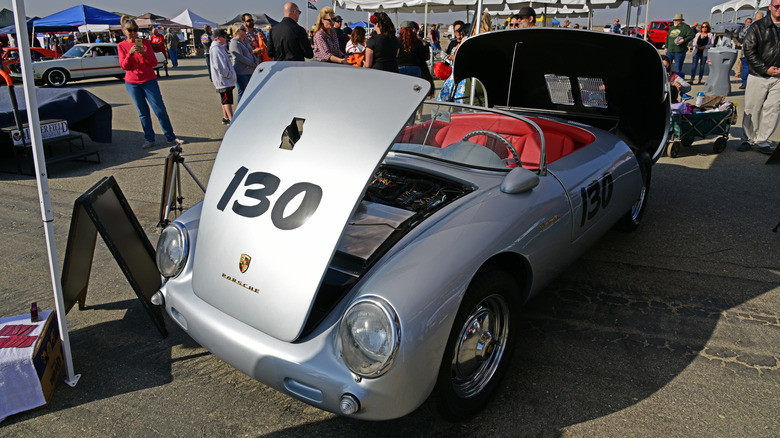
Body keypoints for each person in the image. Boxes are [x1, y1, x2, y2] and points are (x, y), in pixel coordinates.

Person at [117, 16, 184, 149]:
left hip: (149, 81)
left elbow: (153, 62)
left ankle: (170, 136)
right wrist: (130, 53)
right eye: (130, 30)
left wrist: (144, 53)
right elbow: (124, 66)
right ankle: (149, 138)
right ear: (124, 31)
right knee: (143, 112)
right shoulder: (121, 46)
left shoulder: (145, 43)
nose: (133, 33)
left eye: (135, 30)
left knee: (159, 110)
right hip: (132, 83)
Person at [738, 0, 780, 155]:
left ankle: (762, 141)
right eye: (777, 6)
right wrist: (765, 68)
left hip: (779, 77)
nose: (779, 9)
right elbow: (748, 50)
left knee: (773, 109)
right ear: (770, 7)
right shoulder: (758, 26)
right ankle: (747, 139)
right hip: (759, 74)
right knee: (752, 107)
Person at [210, 28, 237, 125]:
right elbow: (219, 66)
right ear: (218, 38)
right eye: (224, 37)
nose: (226, 39)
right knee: (227, 100)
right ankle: (231, 119)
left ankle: (226, 117)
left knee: (224, 99)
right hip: (223, 80)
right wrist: (228, 74)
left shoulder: (218, 48)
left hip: (223, 79)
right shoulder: (216, 49)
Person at [229, 23, 258, 105]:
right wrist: (252, 64)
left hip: (250, 71)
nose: (246, 32)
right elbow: (240, 57)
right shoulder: (234, 43)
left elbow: (251, 53)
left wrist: (256, 61)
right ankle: (240, 111)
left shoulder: (245, 42)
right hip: (241, 72)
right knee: (242, 92)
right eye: (244, 30)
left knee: (249, 92)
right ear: (238, 31)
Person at [665, 13, 695, 80]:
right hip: (670, 51)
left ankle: (677, 81)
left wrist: (684, 40)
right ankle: (667, 79)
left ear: (680, 20)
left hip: (679, 51)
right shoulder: (672, 28)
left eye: (676, 20)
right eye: (674, 20)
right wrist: (666, 47)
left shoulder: (685, 27)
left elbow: (692, 35)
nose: (674, 21)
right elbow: (668, 38)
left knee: (677, 68)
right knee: (666, 66)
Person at [735, 17, 753, 89]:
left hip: (746, 51)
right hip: (746, 50)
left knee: (746, 67)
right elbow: (736, 37)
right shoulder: (742, 28)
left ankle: (745, 82)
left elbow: (740, 35)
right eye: (748, 22)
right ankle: (745, 81)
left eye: (750, 22)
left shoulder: (747, 28)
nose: (749, 23)